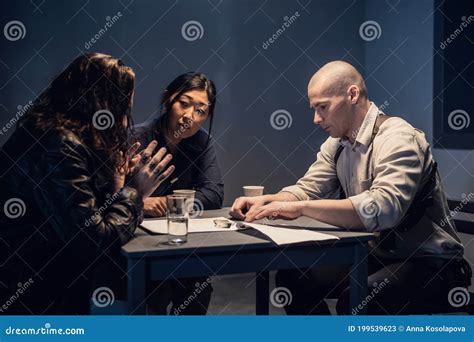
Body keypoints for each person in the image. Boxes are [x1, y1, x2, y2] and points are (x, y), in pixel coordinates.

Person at [230, 60, 471, 315]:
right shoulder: (338, 143)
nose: (316, 119)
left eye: (323, 107)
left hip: (429, 260)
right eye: (314, 109)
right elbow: (309, 188)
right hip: (377, 255)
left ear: (352, 94)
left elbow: (384, 210)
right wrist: (269, 201)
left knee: (358, 299)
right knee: (294, 279)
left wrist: (299, 208)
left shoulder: (398, 138)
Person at [0, 53, 175, 314]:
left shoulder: (52, 133)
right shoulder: (58, 145)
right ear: (103, 105)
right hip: (30, 297)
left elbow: (76, 215)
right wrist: (135, 192)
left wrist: (116, 183)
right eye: (123, 106)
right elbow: (92, 241)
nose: (125, 119)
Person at [133, 72, 224, 314]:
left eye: (200, 111)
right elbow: (109, 196)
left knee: (199, 285)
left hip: (183, 242)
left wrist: (167, 202)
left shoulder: (201, 142)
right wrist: (139, 203)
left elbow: (213, 195)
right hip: (137, 242)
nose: (189, 117)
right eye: (183, 104)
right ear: (167, 100)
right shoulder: (138, 137)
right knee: (154, 292)